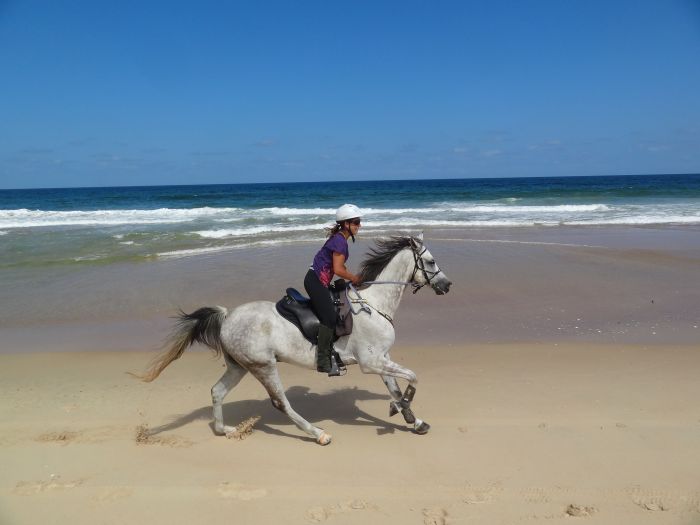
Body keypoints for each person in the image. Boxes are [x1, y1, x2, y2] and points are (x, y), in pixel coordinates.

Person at [305, 204, 363, 376]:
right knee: (329, 318)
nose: (360, 226)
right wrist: (355, 278)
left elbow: (336, 265)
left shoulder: (340, 239)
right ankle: (323, 361)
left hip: (321, 280)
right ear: (346, 224)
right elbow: (338, 270)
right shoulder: (339, 241)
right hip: (314, 281)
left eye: (359, 222)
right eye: (357, 222)